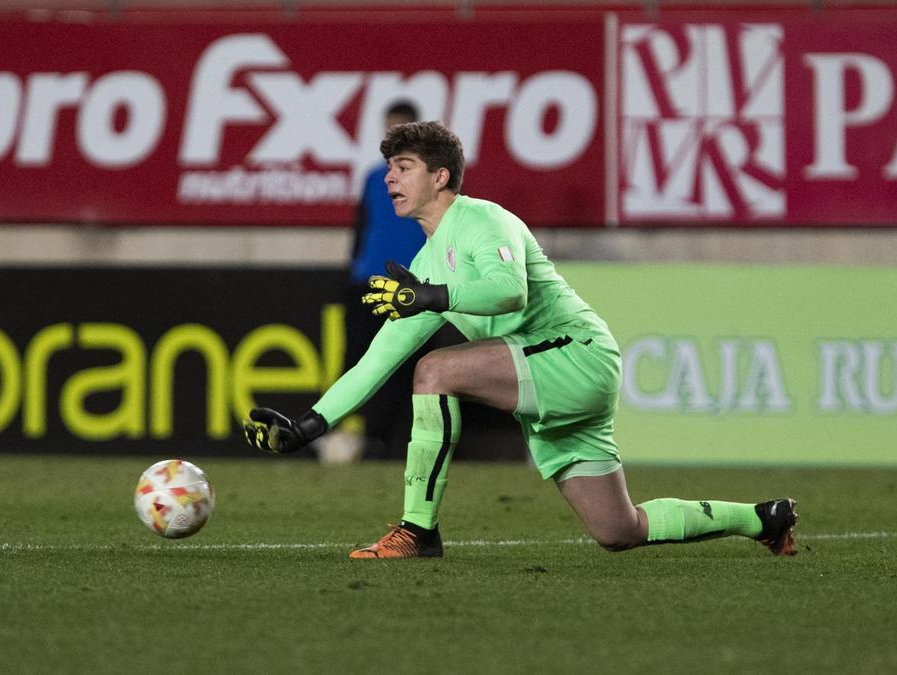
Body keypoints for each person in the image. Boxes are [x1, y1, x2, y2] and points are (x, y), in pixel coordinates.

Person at [244, 121, 798, 559]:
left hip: (575, 355)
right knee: (618, 529)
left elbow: (509, 292)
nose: (389, 178)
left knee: (434, 372)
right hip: (547, 384)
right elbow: (379, 357)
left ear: (440, 177)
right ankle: (761, 519)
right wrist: (310, 425)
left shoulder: (485, 221)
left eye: (403, 167)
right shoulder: (427, 262)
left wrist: (434, 297)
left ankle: (419, 531)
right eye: (389, 167)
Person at [329, 100, 428, 460]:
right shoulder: (374, 178)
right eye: (388, 130)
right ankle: (336, 432)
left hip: (407, 287)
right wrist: (351, 272)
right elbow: (362, 229)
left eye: (399, 130)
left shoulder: (433, 179)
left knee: (400, 367)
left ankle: (383, 440)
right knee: (354, 361)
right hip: (365, 283)